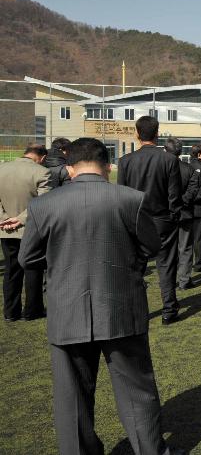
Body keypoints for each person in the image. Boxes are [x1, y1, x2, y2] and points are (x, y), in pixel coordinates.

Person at [18, 138, 180, 455]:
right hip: (122, 304)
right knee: (136, 389)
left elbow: (28, 259)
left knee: (72, 396)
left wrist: (61, 264)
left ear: (68, 168)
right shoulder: (130, 199)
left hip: (67, 307)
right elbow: (152, 247)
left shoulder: (44, 204)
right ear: (108, 166)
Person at [117, 116, 183, 324]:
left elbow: (121, 195)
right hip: (162, 219)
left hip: (135, 219)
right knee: (166, 265)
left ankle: (133, 311)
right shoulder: (169, 159)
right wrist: (173, 216)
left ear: (137, 134)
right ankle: (169, 310)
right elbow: (174, 195)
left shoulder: (125, 161)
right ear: (157, 133)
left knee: (135, 268)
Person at [0, 143, 50, 321]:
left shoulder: (2, 169)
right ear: (42, 157)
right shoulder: (42, 172)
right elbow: (43, 203)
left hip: (6, 229)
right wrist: (20, 219)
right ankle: (32, 310)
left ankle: (10, 312)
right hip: (32, 229)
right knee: (33, 269)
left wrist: (4, 219)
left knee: (11, 270)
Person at [166, 138, 201, 291]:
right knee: (185, 248)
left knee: (168, 249)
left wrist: (172, 205)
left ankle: (169, 280)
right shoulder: (189, 169)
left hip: (166, 214)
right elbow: (193, 190)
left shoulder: (161, 167)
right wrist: (182, 203)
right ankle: (184, 280)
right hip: (184, 213)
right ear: (180, 152)